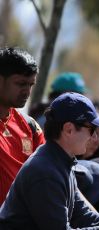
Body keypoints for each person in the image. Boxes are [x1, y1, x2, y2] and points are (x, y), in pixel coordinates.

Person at [0, 92, 99, 229]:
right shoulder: (46, 172)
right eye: (92, 129)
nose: (95, 137)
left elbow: (83, 216)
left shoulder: (60, 161)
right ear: (69, 129)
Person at [0, 47, 45, 205]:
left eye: (30, 85)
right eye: (20, 83)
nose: (27, 91)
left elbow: (48, 170)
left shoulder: (30, 126)